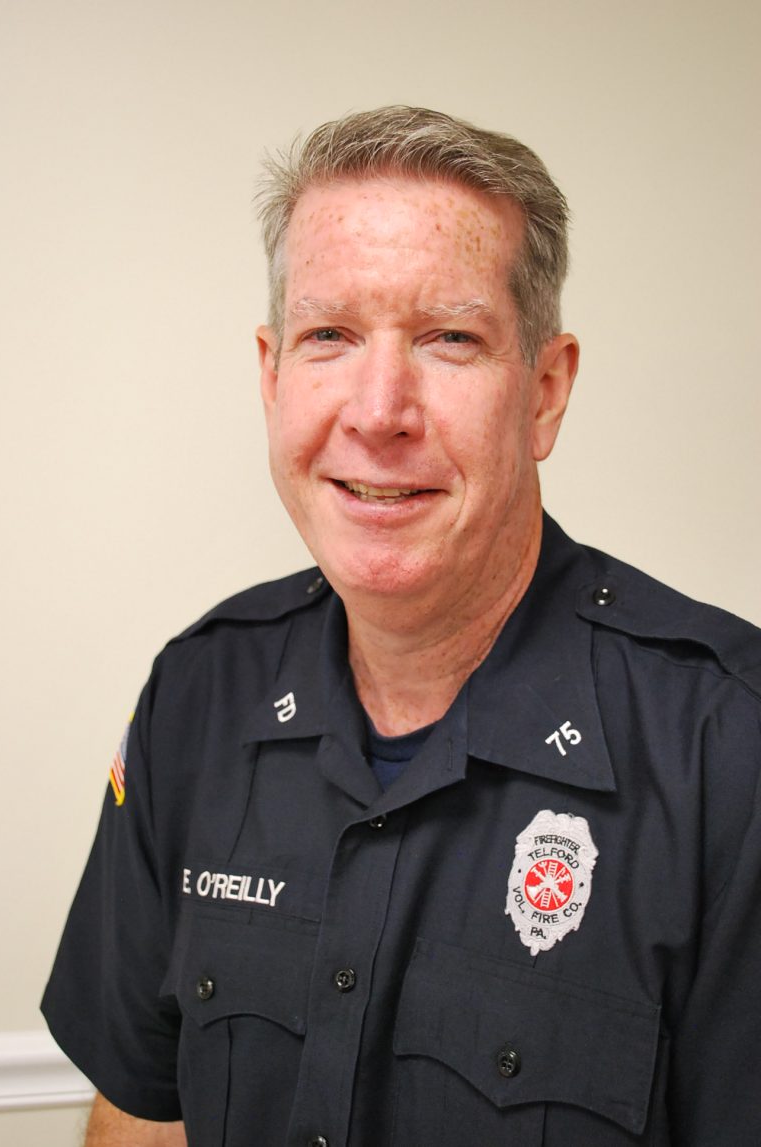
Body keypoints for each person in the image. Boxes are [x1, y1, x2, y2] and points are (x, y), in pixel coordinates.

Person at [43, 106, 761, 1147]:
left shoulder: (727, 746)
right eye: (328, 334)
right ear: (271, 373)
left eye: (449, 339)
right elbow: (142, 1114)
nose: (379, 411)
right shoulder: (196, 698)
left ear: (545, 392)